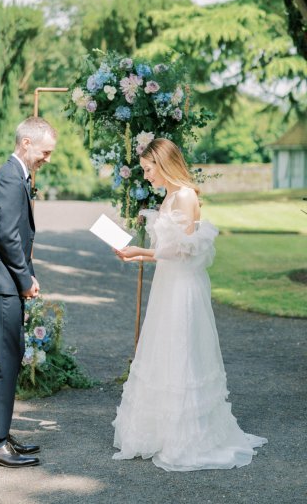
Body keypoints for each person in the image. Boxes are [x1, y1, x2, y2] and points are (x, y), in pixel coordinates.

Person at [112, 138, 267, 471]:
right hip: (169, 284)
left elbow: (184, 252)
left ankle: (185, 435)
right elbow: (170, 253)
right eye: (143, 169)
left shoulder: (184, 196)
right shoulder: (170, 196)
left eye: (149, 168)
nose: (146, 176)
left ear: (164, 163)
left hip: (182, 289)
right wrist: (137, 255)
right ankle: (162, 430)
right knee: (164, 351)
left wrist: (140, 252)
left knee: (181, 351)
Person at [0, 116, 57, 468]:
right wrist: (24, 278)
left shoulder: (16, 174)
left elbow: (15, 233)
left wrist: (25, 275)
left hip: (2, 281)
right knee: (4, 361)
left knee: (11, 356)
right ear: (27, 143)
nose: (47, 158)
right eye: (45, 152)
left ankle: (0, 434)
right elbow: (7, 236)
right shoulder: (8, 177)